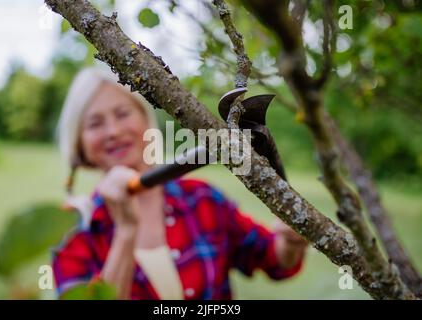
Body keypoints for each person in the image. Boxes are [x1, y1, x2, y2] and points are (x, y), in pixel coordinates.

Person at [52, 66, 308, 300]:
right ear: (79, 143)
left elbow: (273, 257)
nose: (113, 131)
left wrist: (291, 241)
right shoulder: (70, 231)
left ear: (145, 120)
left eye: (122, 114)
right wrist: (126, 231)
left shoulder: (202, 199)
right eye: (95, 123)